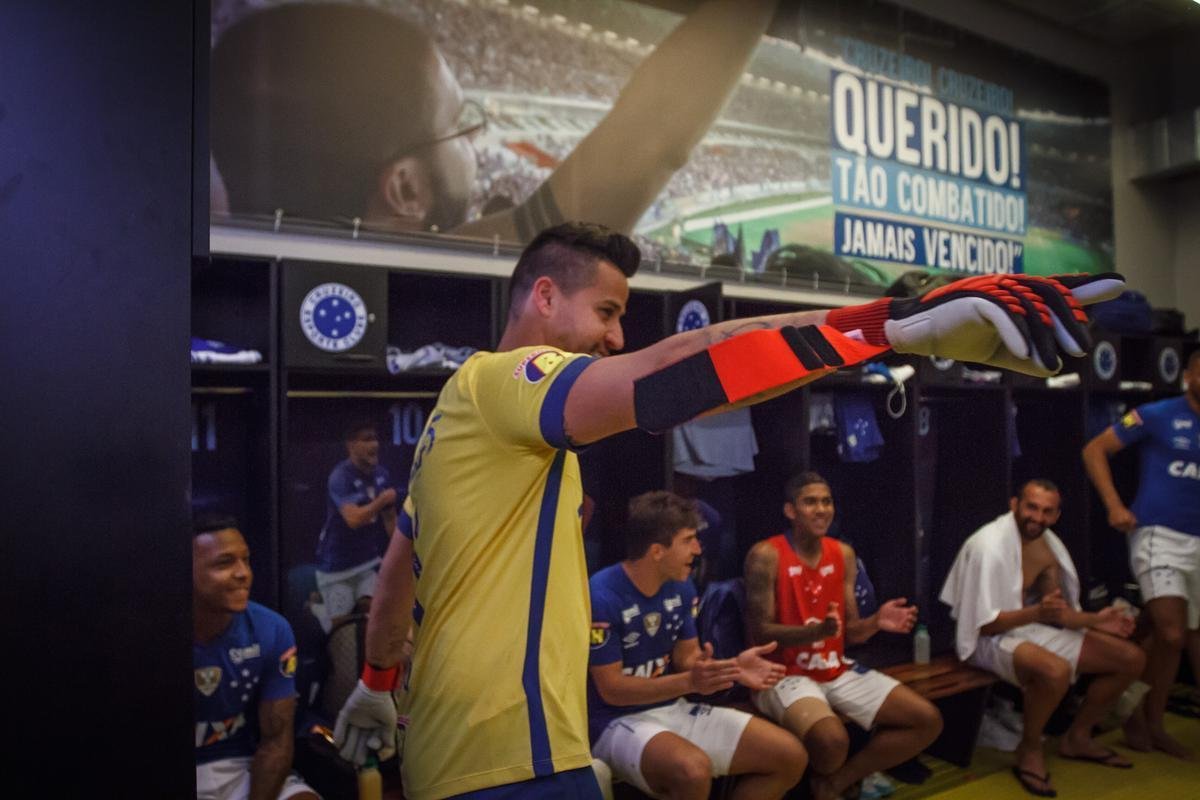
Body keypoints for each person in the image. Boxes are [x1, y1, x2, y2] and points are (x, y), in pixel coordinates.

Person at [332, 219, 1123, 799]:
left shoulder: (450, 419)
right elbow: (665, 377)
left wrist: (375, 678)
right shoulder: (507, 381)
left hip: (450, 760)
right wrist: (883, 330)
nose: (615, 338)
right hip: (514, 762)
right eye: (607, 313)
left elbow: (401, 569)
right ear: (544, 294)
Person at [210, 0, 784, 242]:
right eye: (461, 121)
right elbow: (651, 140)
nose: (477, 135)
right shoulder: (442, 277)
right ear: (405, 188)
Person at [588, 491, 806, 800]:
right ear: (656, 552)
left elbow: (688, 657)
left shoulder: (681, 584)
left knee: (789, 756)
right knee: (692, 771)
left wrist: (727, 668)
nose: (698, 549)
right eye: (689, 540)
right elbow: (611, 688)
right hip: (612, 721)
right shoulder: (601, 595)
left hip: (671, 707)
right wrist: (689, 681)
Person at [744, 472, 943, 800]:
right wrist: (816, 632)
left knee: (926, 720)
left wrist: (877, 622)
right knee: (832, 741)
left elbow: (850, 631)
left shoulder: (843, 554)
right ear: (791, 511)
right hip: (781, 673)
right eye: (810, 502)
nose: (821, 509)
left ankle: (834, 784)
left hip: (835, 665)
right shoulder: (766, 554)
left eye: (827, 501)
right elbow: (759, 633)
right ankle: (820, 787)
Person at [940, 480, 1145, 797]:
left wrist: (1097, 620)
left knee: (1131, 659)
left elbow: (1057, 613)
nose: (1038, 517)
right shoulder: (988, 547)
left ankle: (1079, 736)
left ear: (1057, 514)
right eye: (1031, 507)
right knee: (1056, 671)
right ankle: (1030, 747)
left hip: (1024, 627)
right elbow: (982, 627)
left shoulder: (1047, 547)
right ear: (1014, 505)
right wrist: (1036, 613)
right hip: (983, 640)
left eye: (1047, 511)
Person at [1082, 349, 1200, 758]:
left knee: (1171, 638)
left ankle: (1145, 719)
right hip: (1158, 536)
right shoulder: (1156, 414)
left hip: (1198, 542)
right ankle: (1129, 715)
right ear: (1188, 374)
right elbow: (1094, 450)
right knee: (1170, 632)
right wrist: (1115, 505)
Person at [193, 513, 320, 800]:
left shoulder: (270, 629)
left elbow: (276, 742)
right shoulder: (148, 632)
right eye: (224, 563)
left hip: (243, 767)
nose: (243, 573)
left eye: (246, 560)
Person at [312, 421, 397, 633]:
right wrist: (380, 501)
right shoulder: (340, 476)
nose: (375, 444)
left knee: (375, 613)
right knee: (341, 629)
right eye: (367, 439)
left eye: (376, 438)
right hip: (337, 566)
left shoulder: (382, 475)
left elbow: (389, 518)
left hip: (367, 561)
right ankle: (319, 608)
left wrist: (399, 553)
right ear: (351, 445)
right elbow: (353, 519)